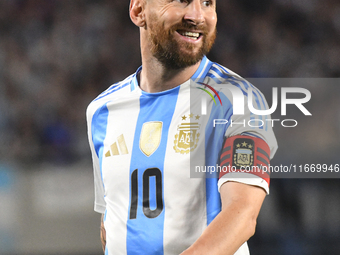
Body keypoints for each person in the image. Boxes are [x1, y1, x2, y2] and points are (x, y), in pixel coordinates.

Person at [86, 0, 278, 254]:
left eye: (208, 3)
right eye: (181, 1)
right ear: (138, 10)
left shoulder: (239, 101)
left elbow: (241, 215)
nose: (197, 15)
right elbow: (111, 223)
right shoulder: (102, 111)